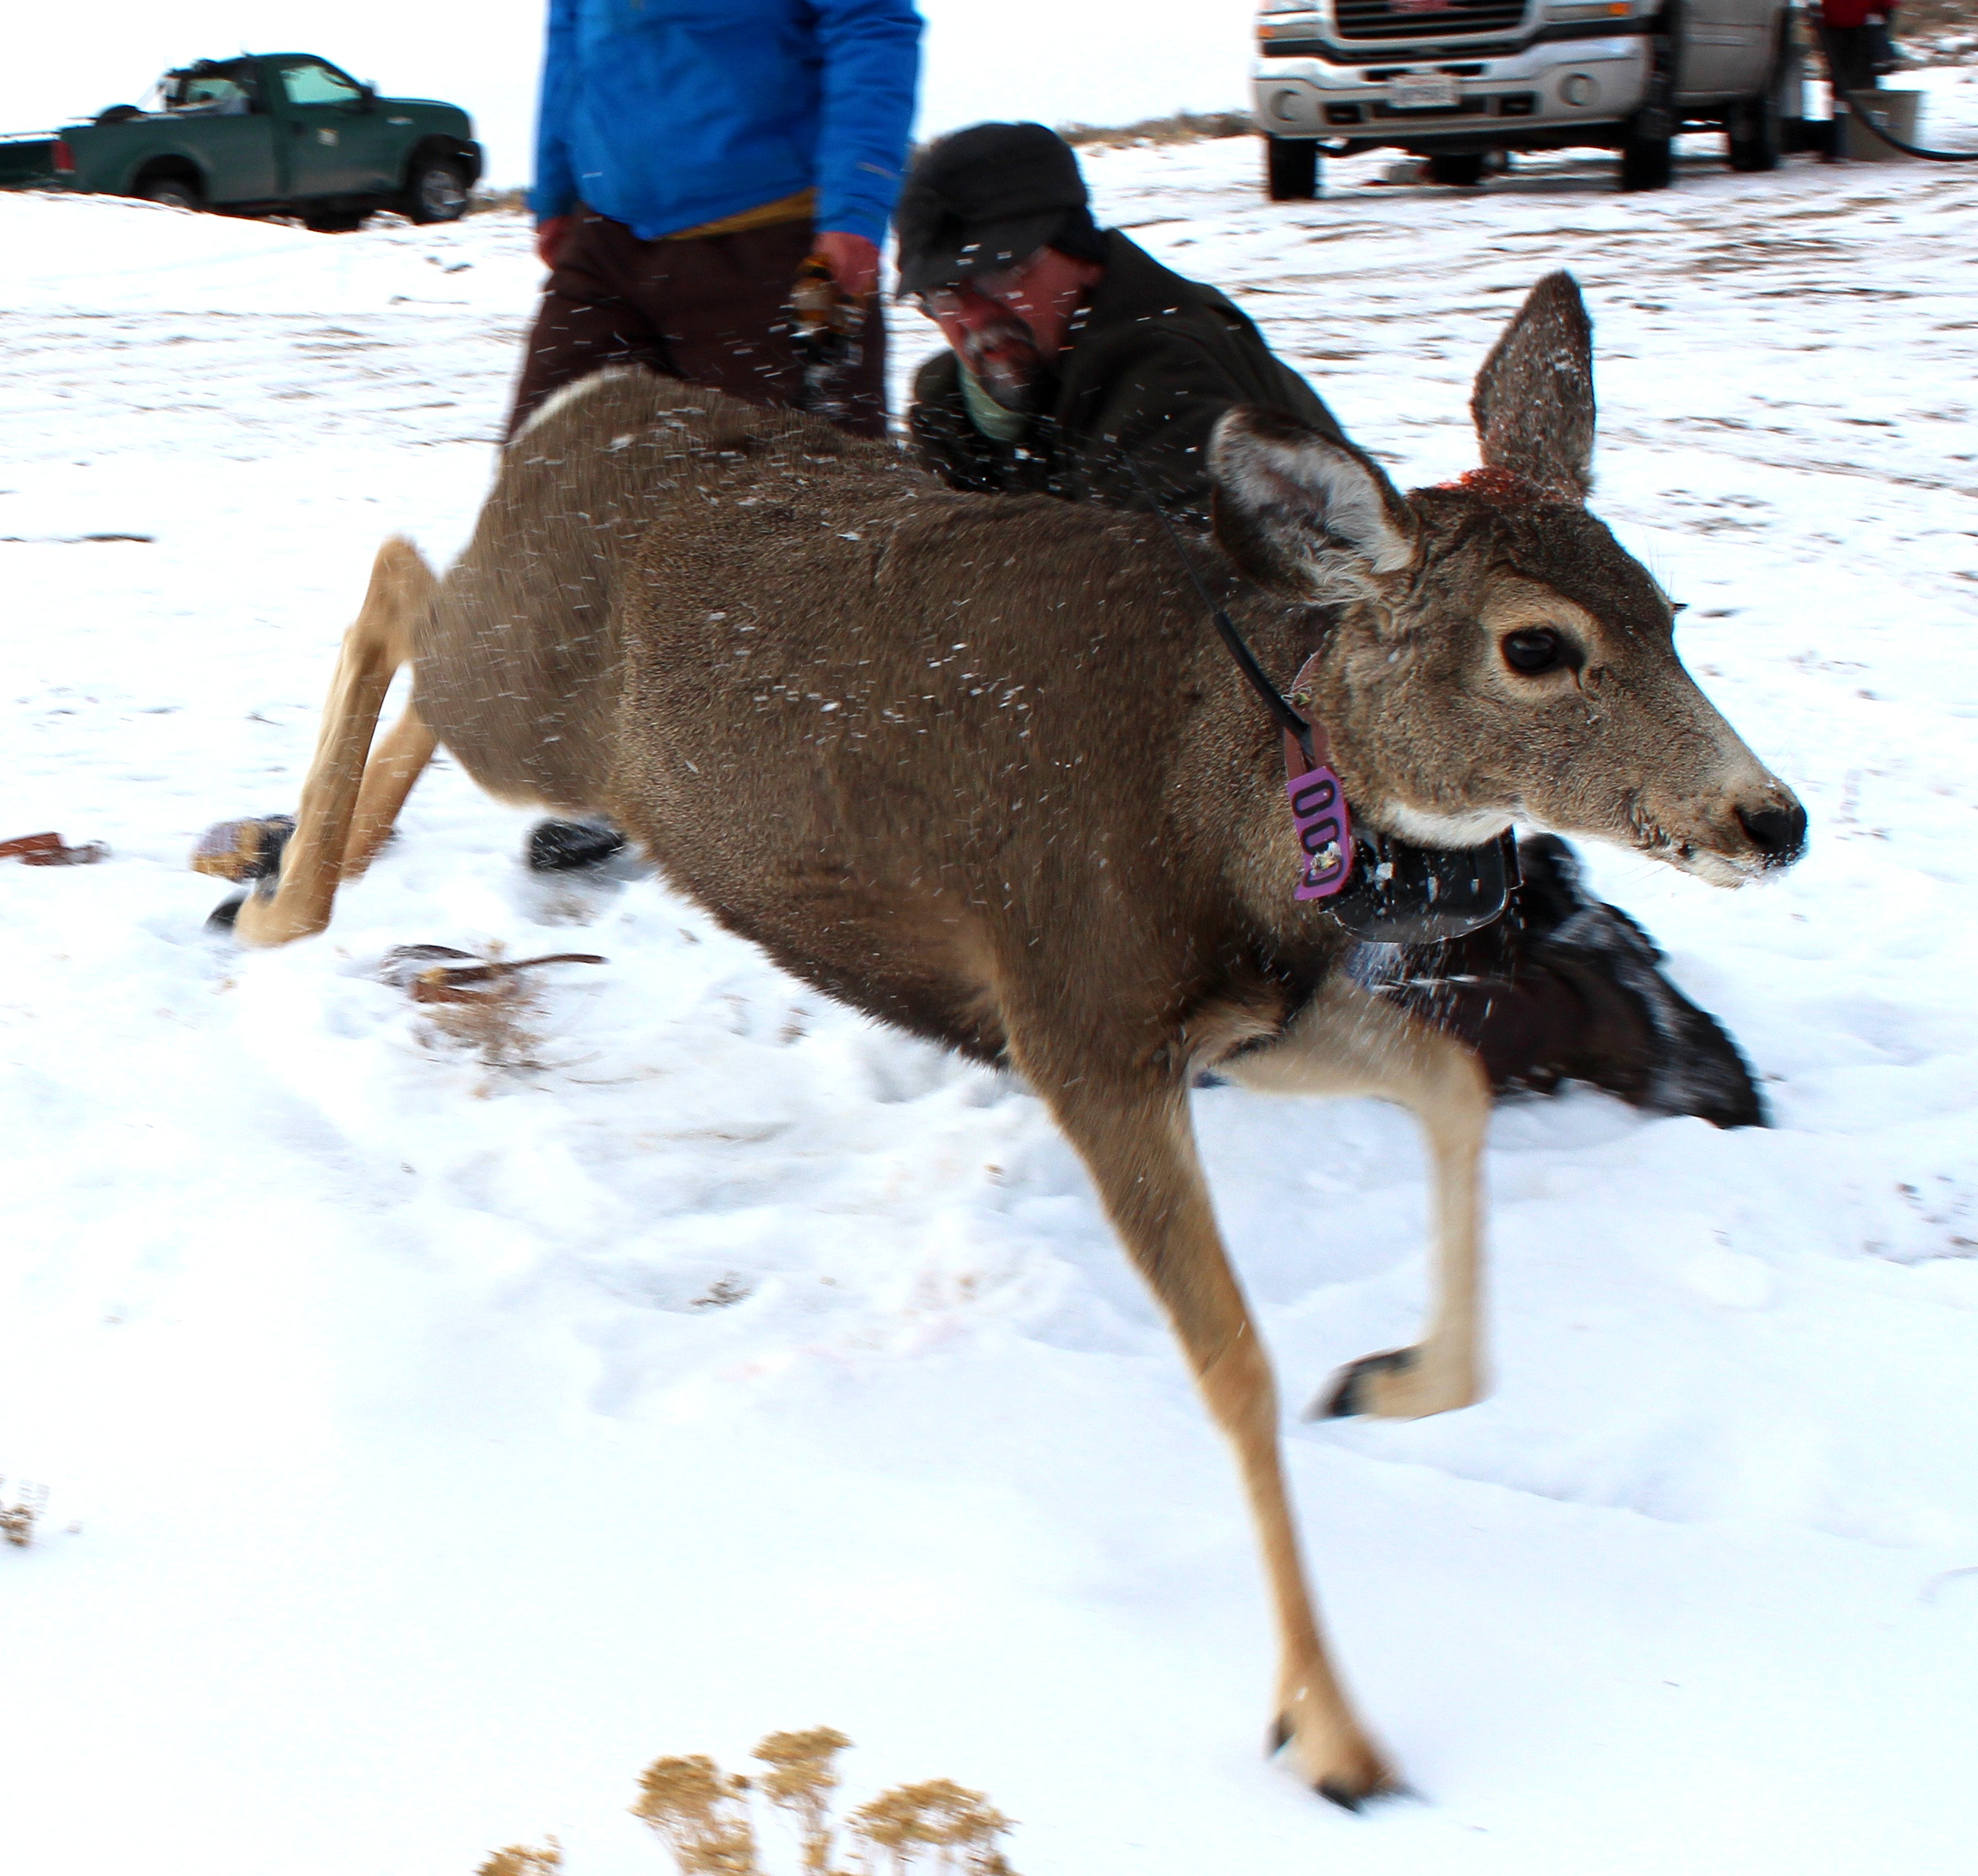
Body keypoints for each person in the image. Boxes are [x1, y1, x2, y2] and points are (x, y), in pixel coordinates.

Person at [897, 122, 1767, 1128]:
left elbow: (1181, 627)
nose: (973, 316)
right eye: (941, 297)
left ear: (1076, 252)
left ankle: (1584, 1012)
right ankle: (1505, 906)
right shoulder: (974, 396)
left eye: (1001, 273)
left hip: (1291, 730)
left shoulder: (1159, 373)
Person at [510, 0, 923, 443]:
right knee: (549, 473)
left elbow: (870, 22)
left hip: (773, 245)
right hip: (607, 242)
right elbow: (568, 38)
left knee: (812, 493)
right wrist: (554, 193)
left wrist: (856, 208)